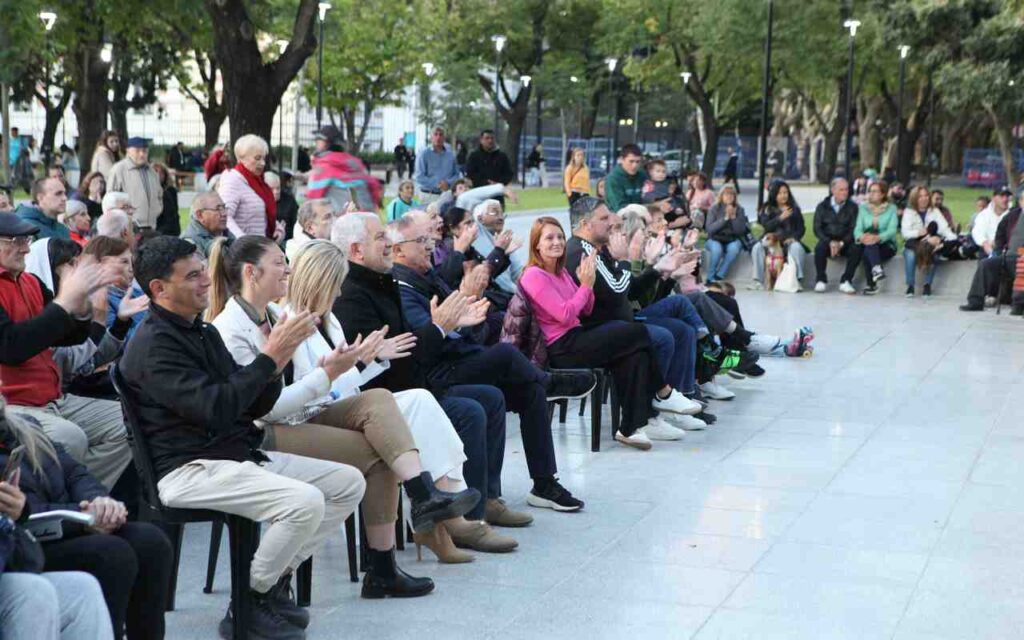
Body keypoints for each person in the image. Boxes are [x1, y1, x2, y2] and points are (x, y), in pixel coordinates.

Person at [118, 236, 367, 639]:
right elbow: (216, 408)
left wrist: (277, 360)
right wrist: (271, 356)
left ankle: (264, 588)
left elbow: (251, 404)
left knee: (346, 483)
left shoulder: (200, 333)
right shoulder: (153, 345)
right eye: (192, 276)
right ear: (158, 289)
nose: (205, 282)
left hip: (230, 455)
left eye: (203, 271)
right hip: (188, 469)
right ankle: (250, 599)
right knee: (303, 502)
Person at [207, 236, 478, 586]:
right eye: (279, 262)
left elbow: (308, 388)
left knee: (380, 403)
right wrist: (330, 373)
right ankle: (394, 544)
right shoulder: (232, 329)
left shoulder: (274, 316)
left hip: (302, 414)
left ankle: (412, 516)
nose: (287, 269)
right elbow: (268, 409)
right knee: (381, 448)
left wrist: (355, 364)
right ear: (251, 272)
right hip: (262, 434)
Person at [335, 214, 592, 527]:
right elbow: (418, 348)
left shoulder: (406, 279)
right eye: (422, 241)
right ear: (361, 251)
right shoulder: (391, 286)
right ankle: (472, 513)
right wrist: (446, 324)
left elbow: (451, 332)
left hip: (439, 366)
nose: (431, 247)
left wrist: (461, 316)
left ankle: (522, 489)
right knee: (493, 379)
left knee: (525, 390)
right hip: (429, 376)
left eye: (431, 239)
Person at [279, 240, 477, 563]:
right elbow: (314, 391)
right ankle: (436, 510)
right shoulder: (291, 324)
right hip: (316, 420)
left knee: (420, 401)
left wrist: (370, 359)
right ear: (320, 284)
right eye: (336, 286)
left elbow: (342, 382)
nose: (340, 295)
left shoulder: (330, 321)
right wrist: (359, 364)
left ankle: (442, 503)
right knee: (387, 405)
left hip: (349, 409)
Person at [2, 406, 171, 640]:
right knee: (112, 553)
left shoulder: (23, 426)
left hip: (68, 521)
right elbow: (25, 512)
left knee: (151, 541)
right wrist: (83, 518)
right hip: (28, 540)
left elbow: (74, 473)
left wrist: (99, 501)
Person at [0, 212, 132, 489]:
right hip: (13, 407)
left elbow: (70, 337)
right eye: (15, 240)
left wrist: (83, 304)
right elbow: (11, 347)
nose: (25, 247)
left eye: (27, 239)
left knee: (129, 422)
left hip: (54, 399)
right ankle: (66, 504)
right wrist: (65, 303)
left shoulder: (31, 282)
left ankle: (79, 500)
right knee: (71, 438)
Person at [521, 216, 676, 450]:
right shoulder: (534, 275)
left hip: (576, 337)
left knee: (635, 354)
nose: (557, 242)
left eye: (560, 236)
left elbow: (586, 307)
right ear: (537, 245)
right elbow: (564, 314)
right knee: (636, 333)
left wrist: (588, 282)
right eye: (549, 238)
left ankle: (629, 428)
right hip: (560, 348)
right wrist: (585, 286)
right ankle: (663, 391)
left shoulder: (561, 272)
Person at [563, 196, 706, 431]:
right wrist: (626, 260)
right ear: (586, 224)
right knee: (660, 336)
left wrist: (660, 269)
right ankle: (653, 411)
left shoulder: (594, 249)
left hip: (619, 324)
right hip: (597, 331)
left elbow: (629, 291)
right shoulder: (581, 252)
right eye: (604, 218)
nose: (611, 223)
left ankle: (666, 404)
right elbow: (618, 291)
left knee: (675, 328)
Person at [960, 189, 1024, 312]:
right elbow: (1000, 235)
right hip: (1009, 257)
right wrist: (999, 251)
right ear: (1021, 202)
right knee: (986, 263)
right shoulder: (1012, 216)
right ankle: (975, 301)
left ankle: (1018, 305)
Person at [218, 135, 282, 240]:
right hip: (244, 251)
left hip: (259, 247)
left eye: (263, 158)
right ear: (241, 158)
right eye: (257, 158)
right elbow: (225, 217)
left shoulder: (257, 182)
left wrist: (277, 229)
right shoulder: (233, 179)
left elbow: (261, 215)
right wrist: (244, 241)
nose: (263, 163)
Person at [305, 126, 382, 213]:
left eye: (318, 140)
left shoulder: (324, 167)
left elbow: (311, 202)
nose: (316, 143)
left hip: (340, 221)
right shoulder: (356, 164)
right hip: (367, 218)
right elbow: (374, 187)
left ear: (326, 143)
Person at [842, 179, 898, 295]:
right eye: (870, 191)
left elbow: (892, 230)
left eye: (875, 191)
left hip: (886, 244)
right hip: (866, 242)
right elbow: (858, 228)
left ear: (883, 194)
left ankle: (872, 284)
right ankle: (875, 272)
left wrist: (878, 238)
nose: (871, 194)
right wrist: (861, 237)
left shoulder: (891, 209)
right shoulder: (863, 208)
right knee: (865, 247)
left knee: (869, 247)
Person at [750, 180, 807, 289]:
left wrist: (794, 238)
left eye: (785, 192)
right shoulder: (766, 209)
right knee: (757, 247)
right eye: (780, 193)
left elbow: (801, 228)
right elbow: (766, 226)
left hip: (787, 241)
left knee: (797, 247)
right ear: (774, 194)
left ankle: (797, 280)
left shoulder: (794, 209)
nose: (783, 196)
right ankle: (758, 280)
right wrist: (780, 218)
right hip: (771, 241)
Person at [901, 185, 957, 298]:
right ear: (914, 198)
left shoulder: (935, 211)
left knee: (933, 252)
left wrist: (943, 240)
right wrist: (919, 233)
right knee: (910, 255)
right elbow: (905, 233)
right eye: (920, 196)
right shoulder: (908, 212)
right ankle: (910, 286)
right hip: (913, 244)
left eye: (926, 195)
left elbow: (944, 229)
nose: (924, 198)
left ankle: (927, 285)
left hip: (930, 243)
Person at [811, 177, 859, 293]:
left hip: (845, 242)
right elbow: (817, 228)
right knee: (819, 248)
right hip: (827, 241)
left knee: (857, 248)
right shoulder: (822, 206)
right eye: (841, 190)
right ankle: (821, 280)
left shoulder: (853, 207)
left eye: (846, 190)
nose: (845, 192)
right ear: (833, 190)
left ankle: (846, 280)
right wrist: (830, 242)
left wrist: (841, 243)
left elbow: (854, 229)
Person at [472, 199, 525, 295]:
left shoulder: (504, 241)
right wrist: (502, 188)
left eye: (502, 214)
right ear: (480, 219)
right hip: (492, 296)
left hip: (510, 295)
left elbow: (518, 273)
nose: (501, 217)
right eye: (494, 212)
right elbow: (465, 199)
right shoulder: (475, 232)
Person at [107, 138, 162, 231]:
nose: (141, 154)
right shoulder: (118, 169)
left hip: (152, 226)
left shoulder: (152, 172)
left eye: (144, 151)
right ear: (128, 151)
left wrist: (157, 211)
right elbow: (110, 199)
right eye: (137, 151)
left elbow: (159, 195)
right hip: (129, 228)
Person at [704, 184, 751, 283]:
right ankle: (710, 277)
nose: (729, 196)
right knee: (716, 250)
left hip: (732, 239)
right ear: (721, 195)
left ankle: (720, 273)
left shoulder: (739, 209)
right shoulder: (714, 208)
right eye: (726, 194)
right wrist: (725, 219)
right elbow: (710, 229)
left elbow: (740, 231)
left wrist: (733, 218)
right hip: (714, 239)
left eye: (731, 194)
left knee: (734, 249)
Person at [181, 191, 234, 259]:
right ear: (200, 215)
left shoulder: (225, 232)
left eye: (224, 208)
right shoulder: (190, 243)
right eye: (217, 209)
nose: (224, 214)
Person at [414, 127, 460, 204]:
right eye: (435, 134)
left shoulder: (451, 154)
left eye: (441, 135)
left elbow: (457, 174)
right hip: (428, 195)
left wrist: (448, 183)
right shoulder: (423, 153)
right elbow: (419, 176)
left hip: (447, 195)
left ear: (444, 137)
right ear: (431, 137)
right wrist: (438, 184)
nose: (438, 137)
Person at [464, 130, 513, 202]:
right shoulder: (474, 156)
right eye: (487, 138)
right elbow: (470, 174)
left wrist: (497, 184)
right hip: (479, 194)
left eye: (492, 138)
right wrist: (486, 183)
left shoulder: (502, 156)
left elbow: (508, 174)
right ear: (481, 140)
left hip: (497, 194)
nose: (490, 141)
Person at [285, 198, 335, 263]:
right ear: (310, 228)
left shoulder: (324, 246)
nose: (334, 220)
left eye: (334, 214)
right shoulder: (308, 259)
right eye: (327, 217)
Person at [604, 144, 648, 211]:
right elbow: (619, 208)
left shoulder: (642, 175)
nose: (634, 165)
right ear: (621, 160)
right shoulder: (613, 179)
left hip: (641, 215)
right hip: (618, 217)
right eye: (631, 161)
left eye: (638, 162)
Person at [972, 185, 1012, 258]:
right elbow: (978, 234)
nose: (1005, 199)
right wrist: (990, 251)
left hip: (1010, 251)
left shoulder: (1014, 214)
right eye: (1002, 196)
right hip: (989, 251)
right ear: (993, 198)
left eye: (1007, 196)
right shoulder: (983, 215)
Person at [269, 171, 299, 242]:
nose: (276, 192)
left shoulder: (289, 200)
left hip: (287, 240)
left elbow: (297, 223)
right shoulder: (259, 201)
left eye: (278, 188)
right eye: (272, 189)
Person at [151, 163, 179, 237]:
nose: (158, 175)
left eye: (161, 173)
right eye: (155, 171)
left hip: (166, 233)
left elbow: (173, 216)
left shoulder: (170, 191)